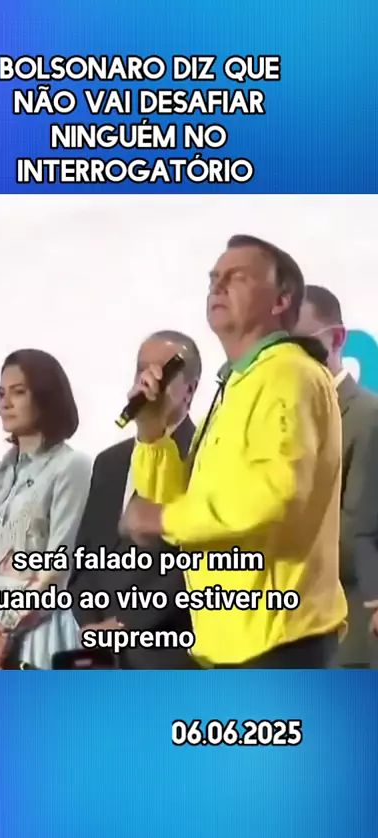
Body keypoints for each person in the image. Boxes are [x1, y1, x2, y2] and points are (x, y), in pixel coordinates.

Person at [120, 234, 348, 669]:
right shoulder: (238, 384)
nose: (218, 286)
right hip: (230, 642)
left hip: (278, 642)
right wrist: (151, 433)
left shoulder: (288, 374)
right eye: (214, 278)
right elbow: (172, 508)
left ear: (281, 300)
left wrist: (163, 517)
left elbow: (274, 495)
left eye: (237, 277)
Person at [70, 331, 201, 668]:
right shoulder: (109, 462)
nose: (149, 380)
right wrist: (91, 624)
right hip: (100, 657)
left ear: (190, 389)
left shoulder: (205, 456)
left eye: (162, 372)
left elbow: (197, 562)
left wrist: (127, 625)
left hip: (168, 653)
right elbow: (85, 557)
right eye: (143, 369)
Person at [0, 348, 91, 669]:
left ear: (45, 397)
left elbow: (58, 565)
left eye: (18, 392)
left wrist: (3, 631)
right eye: (1, 393)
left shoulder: (71, 467)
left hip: (39, 632)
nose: (5, 403)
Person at [296, 286, 378, 668]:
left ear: (338, 339)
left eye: (301, 343)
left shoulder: (367, 418)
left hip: (348, 634)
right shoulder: (278, 422)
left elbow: (357, 531)